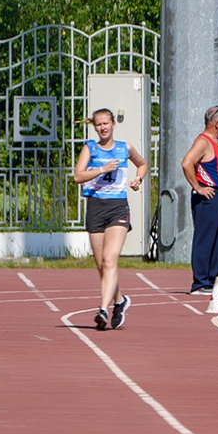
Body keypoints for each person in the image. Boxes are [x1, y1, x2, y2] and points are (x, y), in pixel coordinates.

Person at [73, 107, 147, 331]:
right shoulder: (90, 148)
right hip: (96, 206)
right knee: (101, 266)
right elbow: (77, 176)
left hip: (117, 208)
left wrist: (138, 180)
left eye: (106, 123)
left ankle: (103, 309)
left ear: (113, 124)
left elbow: (142, 164)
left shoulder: (125, 148)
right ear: (94, 127)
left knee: (110, 260)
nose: (103, 127)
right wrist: (101, 169)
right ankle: (121, 300)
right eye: (98, 124)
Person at [178, 104, 218, 311]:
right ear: (216, 123)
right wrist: (198, 187)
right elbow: (187, 163)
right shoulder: (203, 141)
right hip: (209, 197)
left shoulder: (217, 141)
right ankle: (200, 282)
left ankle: (212, 280)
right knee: (205, 238)